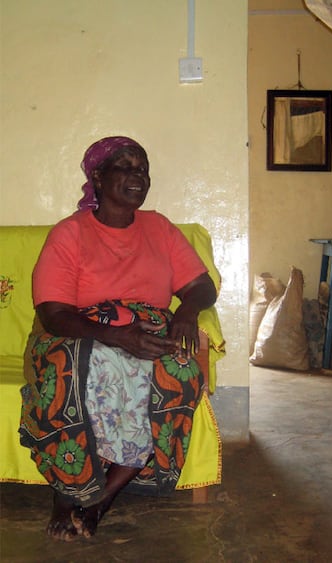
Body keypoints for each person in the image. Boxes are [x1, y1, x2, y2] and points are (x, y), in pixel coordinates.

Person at [19, 136, 218, 541]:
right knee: (75, 370)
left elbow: (202, 286)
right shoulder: (70, 234)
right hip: (77, 332)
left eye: (142, 168)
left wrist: (186, 311)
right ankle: (66, 491)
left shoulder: (159, 228)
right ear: (97, 176)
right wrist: (117, 338)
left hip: (149, 332)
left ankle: (102, 499)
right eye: (124, 167)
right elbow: (54, 314)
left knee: (176, 372)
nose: (137, 177)